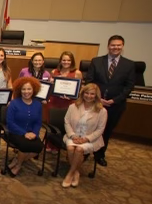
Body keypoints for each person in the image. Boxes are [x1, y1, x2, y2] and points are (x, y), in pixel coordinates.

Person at [86, 35, 135, 167]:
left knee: (106, 131)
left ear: (122, 46)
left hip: (115, 105)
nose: (116, 47)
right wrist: (97, 98)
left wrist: (114, 100)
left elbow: (129, 86)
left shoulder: (129, 65)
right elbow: (89, 81)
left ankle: (100, 155)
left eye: (119, 45)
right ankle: (85, 152)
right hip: (95, 102)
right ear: (108, 46)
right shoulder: (96, 61)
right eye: (113, 45)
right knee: (88, 127)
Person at [62, 83, 107, 187]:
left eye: (92, 94)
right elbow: (67, 122)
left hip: (91, 139)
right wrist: (73, 136)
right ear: (82, 94)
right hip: (73, 136)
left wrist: (86, 139)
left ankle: (70, 174)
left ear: (96, 96)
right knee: (70, 147)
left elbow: (100, 129)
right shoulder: (73, 106)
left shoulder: (102, 111)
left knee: (79, 150)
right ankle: (76, 172)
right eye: (86, 93)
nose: (89, 96)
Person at [6, 77, 43, 177]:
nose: (26, 92)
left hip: (32, 132)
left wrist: (34, 133)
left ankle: (17, 159)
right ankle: (18, 165)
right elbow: (10, 122)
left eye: (29, 89)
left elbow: (38, 122)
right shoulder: (14, 103)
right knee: (24, 145)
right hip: (16, 132)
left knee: (38, 147)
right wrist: (24, 133)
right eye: (24, 89)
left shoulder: (38, 104)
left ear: (34, 90)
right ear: (19, 90)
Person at [47, 51, 82, 152]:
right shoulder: (54, 72)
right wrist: (51, 83)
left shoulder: (77, 73)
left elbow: (79, 91)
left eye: (68, 60)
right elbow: (50, 88)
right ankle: (50, 144)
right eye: (64, 60)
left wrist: (71, 96)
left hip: (68, 103)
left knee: (66, 124)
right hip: (54, 101)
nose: (66, 62)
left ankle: (58, 145)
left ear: (72, 61)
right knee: (52, 124)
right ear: (60, 61)